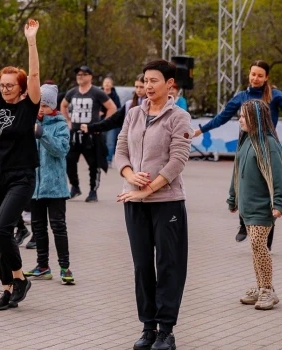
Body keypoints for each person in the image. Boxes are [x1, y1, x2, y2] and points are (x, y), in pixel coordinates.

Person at [193, 60, 282, 244]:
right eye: (253, 74)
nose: (256, 78)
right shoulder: (241, 97)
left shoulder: (275, 96)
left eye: (260, 75)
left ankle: (269, 228)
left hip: (267, 147)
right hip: (246, 146)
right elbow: (221, 118)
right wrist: (200, 130)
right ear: (249, 74)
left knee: (268, 187)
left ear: (266, 77)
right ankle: (243, 222)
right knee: (244, 183)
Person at [114, 59, 193, 350]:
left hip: (166, 202)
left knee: (169, 265)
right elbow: (120, 150)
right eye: (145, 80)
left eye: (154, 81)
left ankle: (166, 331)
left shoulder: (179, 116)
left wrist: (147, 191)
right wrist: (130, 175)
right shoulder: (134, 113)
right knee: (142, 265)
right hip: (132, 199)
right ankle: (148, 327)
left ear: (169, 84)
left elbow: (177, 161)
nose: (148, 86)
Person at [0, 18, 41, 311]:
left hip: (21, 177)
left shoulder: (29, 107)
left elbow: (36, 73)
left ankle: (19, 278)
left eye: (10, 85)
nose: (4, 89)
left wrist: (31, 40)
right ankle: (6, 289)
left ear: (21, 88)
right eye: (2, 85)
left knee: (2, 229)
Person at [227, 99, 282, 312]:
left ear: (257, 118)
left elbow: (279, 176)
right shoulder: (245, 141)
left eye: (244, 116)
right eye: (240, 116)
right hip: (246, 208)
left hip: (263, 208)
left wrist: (279, 202)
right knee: (255, 247)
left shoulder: (268, 144)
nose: (240, 119)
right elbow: (236, 172)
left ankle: (268, 290)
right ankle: (261, 286)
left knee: (259, 246)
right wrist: (232, 198)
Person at [21, 84, 75, 285]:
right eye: (38, 105)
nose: (41, 109)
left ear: (52, 106)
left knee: (58, 226)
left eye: (45, 105)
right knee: (38, 227)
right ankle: (42, 266)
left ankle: (65, 267)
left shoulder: (60, 124)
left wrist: (42, 133)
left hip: (55, 188)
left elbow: (61, 149)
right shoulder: (30, 122)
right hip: (34, 187)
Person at [60, 65, 117, 202]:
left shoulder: (97, 92)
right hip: (74, 134)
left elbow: (112, 107)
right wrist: (67, 121)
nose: (80, 76)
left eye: (83, 74)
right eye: (78, 74)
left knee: (93, 164)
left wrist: (100, 125)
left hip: (91, 134)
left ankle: (93, 191)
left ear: (90, 77)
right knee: (69, 160)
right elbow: (63, 105)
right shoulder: (72, 92)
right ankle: (75, 187)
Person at [102, 76, 122, 165]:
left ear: (112, 85)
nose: (107, 84)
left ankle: (108, 160)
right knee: (100, 142)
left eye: (108, 82)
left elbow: (118, 108)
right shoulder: (99, 94)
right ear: (102, 84)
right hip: (100, 121)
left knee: (110, 142)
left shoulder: (115, 96)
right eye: (105, 82)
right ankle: (100, 159)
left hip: (111, 122)